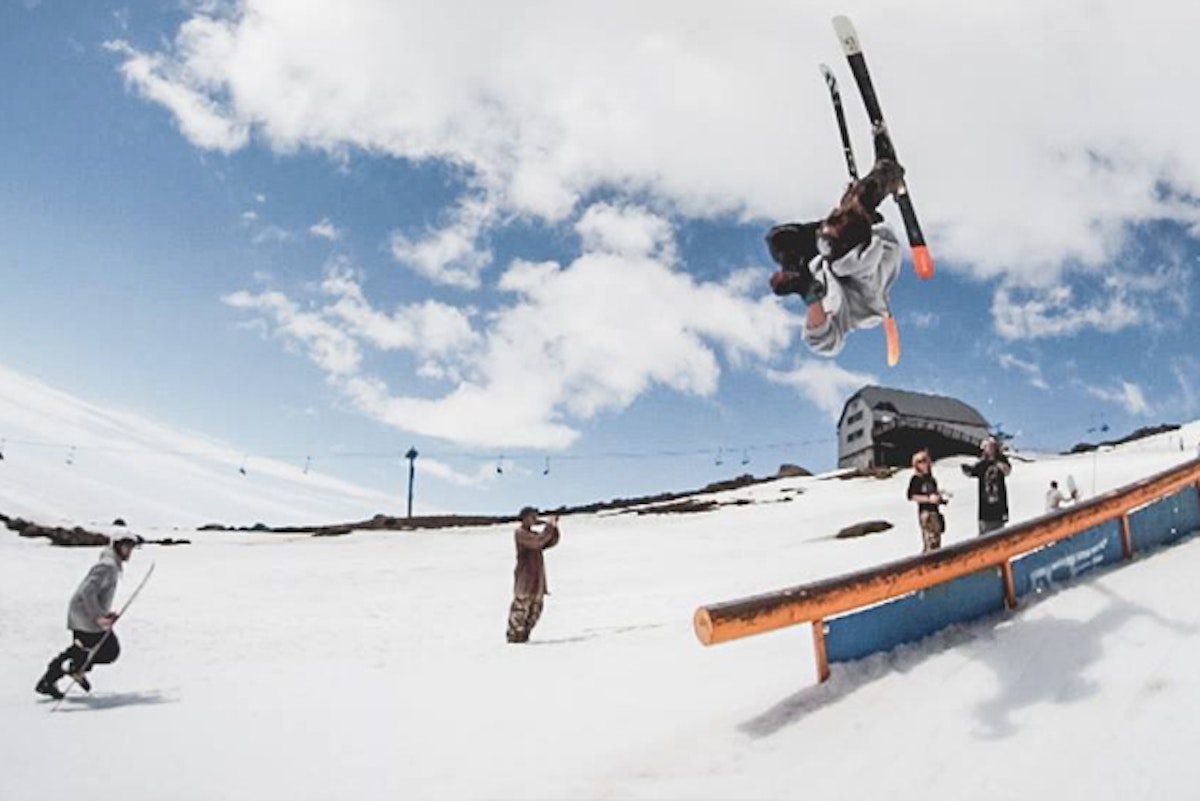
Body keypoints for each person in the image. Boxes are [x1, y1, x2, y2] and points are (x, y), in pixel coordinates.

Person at [766, 157, 906, 357]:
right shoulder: (857, 294)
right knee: (857, 210)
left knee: (779, 239)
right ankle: (887, 175)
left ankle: (854, 205)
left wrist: (809, 294)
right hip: (865, 243)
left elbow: (820, 338)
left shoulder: (823, 282)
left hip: (831, 254)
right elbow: (824, 342)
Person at [35, 535, 137, 699]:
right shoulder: (107, 566)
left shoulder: (111, 565)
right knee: (108, 650)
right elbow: (86, 592)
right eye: (126, 547)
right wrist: (98, 617)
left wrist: (104, 614)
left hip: (85, 615)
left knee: (86, 650)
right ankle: (71, 669)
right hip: (84, 616)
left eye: (131, 548)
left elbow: (94, 594)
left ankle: (57, 676)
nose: (129, 552)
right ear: (117, 546)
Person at [506, 507, 561, 644]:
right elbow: (538, 542)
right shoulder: (520, 533)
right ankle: (514, 638)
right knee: (521, 609)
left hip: (537, 579)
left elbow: (549, 542)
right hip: (525, 578)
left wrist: (554, 528)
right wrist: (548, 527)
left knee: (535, 610)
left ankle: (524, 636)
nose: (535, 519)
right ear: (524, 518)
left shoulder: (534, 534)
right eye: (532, 516)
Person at [962, 437, 1012, 535]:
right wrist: (966, 468)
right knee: (984, 533)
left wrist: (996, 462)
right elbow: (972, 472)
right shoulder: (982, 463)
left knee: (999, 533)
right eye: (986, 447)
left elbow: (1007, 471)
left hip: (999, 506)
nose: (989, 449)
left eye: (991, 447)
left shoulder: (1001, 459)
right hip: (985, 508)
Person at [906, 449, 947, 553]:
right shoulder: (916, 479)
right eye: (920, 461)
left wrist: (940, 499)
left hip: (935, 512)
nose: (924, 464)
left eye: (925, 460)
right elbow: (911, 496)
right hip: (926, 513)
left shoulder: (931, 479)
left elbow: (933, 493)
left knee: (937, 542)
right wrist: (928, 499)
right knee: (930, 542)